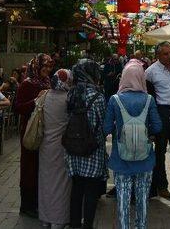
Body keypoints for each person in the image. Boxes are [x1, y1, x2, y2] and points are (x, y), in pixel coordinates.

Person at [104, 59, 162, 229]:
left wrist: (119, 128)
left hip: (121, 158)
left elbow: (106, 127)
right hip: (145, 158)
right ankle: (141, 226)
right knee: (142, 198)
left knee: (122, 199)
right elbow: (158, 126)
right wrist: (147, 133)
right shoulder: (149, 99)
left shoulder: (115, 100)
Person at [66, 59, 107, 229]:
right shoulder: (98, 96)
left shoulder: (72, 93)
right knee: (90, 191)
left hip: (74, 148)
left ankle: (74, 223)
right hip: (92, 149)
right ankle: (87, 224)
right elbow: (103, 124)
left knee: (76, 189)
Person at [14, 53, 53, 218]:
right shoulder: (27, 84)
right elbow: (18, 107)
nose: (47, 70)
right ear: (36, 66)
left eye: (50, 67)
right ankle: (27, 205)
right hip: (30, 130)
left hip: (43, 130)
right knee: (29, 166)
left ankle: (37, 202)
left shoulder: (47, 82)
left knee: (39, 166)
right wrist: (35, 101)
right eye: (44, 66)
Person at [144, 41, 170, 198]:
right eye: (165, 53)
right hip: (161, 111)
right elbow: (148, 96)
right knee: (160, 151)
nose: (169, 56)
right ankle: (161, 185)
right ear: (158, 55)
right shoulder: (150, 72)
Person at [39, 69, 74, 229]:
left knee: (46, 182)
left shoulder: (44, 96)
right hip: (62, 147)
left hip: (45, 146)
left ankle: (45, 218)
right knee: (61, 184)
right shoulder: (68, 99)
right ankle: (58, 220)